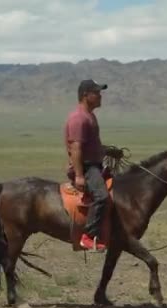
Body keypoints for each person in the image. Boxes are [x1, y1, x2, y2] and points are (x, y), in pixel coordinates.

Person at [63, 79, 112, 252]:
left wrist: (109, 151)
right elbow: (76, 148)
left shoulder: (89, 116)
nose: (100, 96)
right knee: (102, 196)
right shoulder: (79, 118)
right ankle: (89, 236)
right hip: (86, 167)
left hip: (94, 164)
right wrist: (79, 175)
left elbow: (91, 146)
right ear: (86, 95)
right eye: (96, 93)